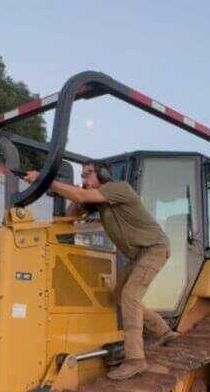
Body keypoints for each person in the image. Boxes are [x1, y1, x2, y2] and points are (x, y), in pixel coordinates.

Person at [23, 162, 178, 380]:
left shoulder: (119, 188)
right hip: (138, 255)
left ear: (104, 175)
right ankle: (163, 331)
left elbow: (82, 197)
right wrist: (77, 196)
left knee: (130, 296)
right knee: (118, 297)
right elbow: (70, 216)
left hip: (154, 249)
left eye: (88, 174)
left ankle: (135, 359)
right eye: (82, 176)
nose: (85, 180)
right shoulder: (99, 200)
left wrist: (44, 180)